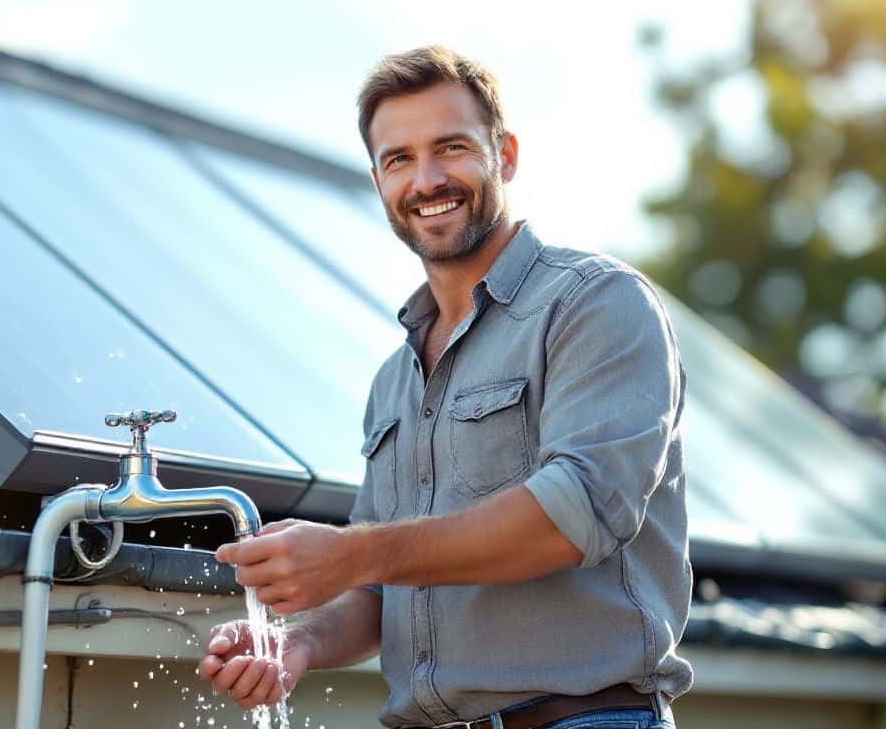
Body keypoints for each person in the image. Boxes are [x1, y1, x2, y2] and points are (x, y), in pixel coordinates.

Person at [198, 45, 692, 729]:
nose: (426, 180)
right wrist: (298, 643)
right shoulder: (393, 382)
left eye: (451, 148)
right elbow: (381, 587)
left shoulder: (595, 305)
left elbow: (572, 515)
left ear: (505, 155)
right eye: (398, 159)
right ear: (378, 182)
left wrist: (348, 553)